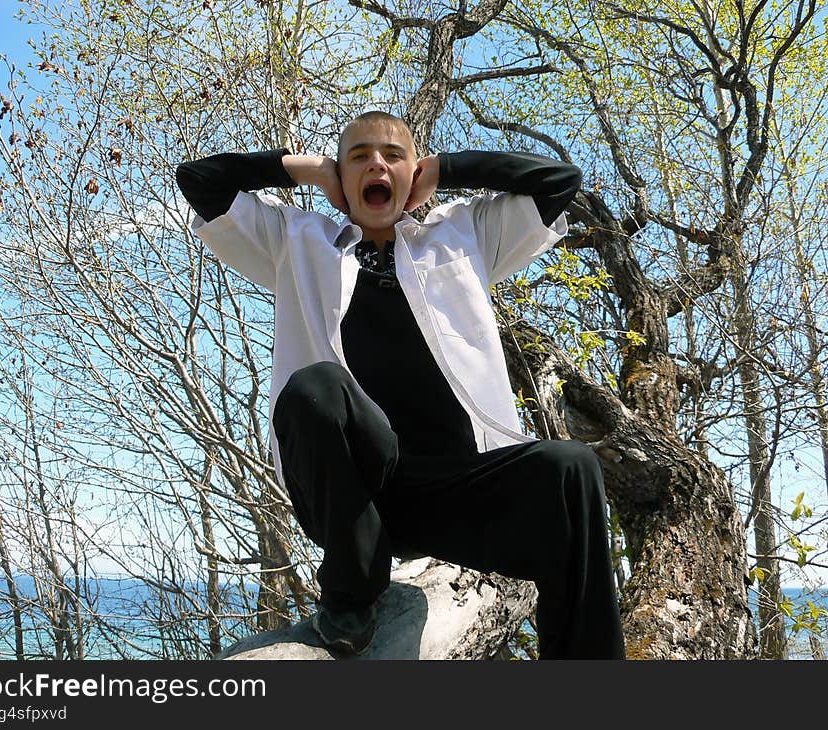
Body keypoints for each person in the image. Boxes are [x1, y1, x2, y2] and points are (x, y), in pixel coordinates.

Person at [176, 111, 625, 659]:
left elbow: (559, 184)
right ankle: (350, 594)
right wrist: (309, 170)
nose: (377, 164)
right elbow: (200, 181)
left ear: (414, 174)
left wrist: (446, 168)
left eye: (393, 155)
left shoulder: (463, 236)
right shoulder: (298, 241)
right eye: (359, 156)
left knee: (571, 467)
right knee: (314, 387)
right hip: (357, 498)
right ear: (341, 177)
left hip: (457, 489)